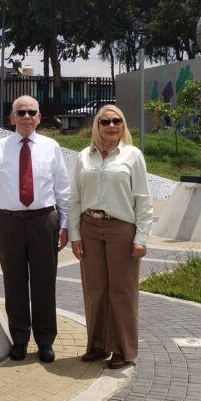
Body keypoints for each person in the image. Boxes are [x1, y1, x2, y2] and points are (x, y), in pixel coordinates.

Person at [0, 95, 70, 363]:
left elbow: (63, 189)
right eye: (21, 112)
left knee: (44, 282)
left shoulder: (51, 147)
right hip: (9, 223)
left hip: (44, 221)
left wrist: (65, 223)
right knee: (14, 282)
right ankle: (19, 339)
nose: (27, 117)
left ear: (39, 117)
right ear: (12, 118)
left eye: (32, 112)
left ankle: (45, 341)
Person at [67, 104, 152, 369]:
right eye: (105, 121)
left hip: (121, 228)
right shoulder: (84, 156)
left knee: (122, 291)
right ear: (97, 126)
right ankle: (97, 345)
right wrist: (75, 235)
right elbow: (74, 198)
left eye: (117, 121)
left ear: (123, 125)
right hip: (89, 227)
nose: (111, 126)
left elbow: (143, 200)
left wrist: (141, 237)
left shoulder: (133, 156)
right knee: (95, 290)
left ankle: (122, 350)